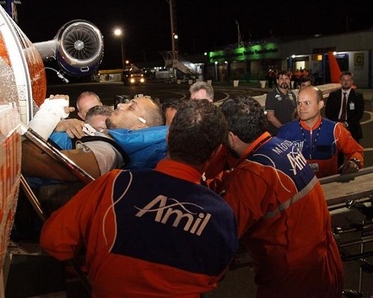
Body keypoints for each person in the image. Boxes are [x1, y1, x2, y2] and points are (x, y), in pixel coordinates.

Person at [40, 100, 239, 297]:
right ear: (214, 154)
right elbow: (214, 276)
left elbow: (54, 242)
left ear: (168, 138)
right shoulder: (222, 217)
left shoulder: (114, 185)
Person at [217, 96, 343, 298]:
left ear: (231, 137)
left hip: (292, 283)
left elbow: (220, 240)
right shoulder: (284, 146)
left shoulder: (251, 175)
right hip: (324, 267)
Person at [23, 95, 167, 181]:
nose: (121, 105)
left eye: (131, 107)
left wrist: (49, 114)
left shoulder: (106, 154)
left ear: (140, 127)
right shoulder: (101, 138)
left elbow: (24, 161)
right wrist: (58, 125)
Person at [278, 85, 364, 178]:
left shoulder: (335, 129)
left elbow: (356, 151)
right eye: (299, 103)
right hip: (298, 189)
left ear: (320, 104)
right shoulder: (285, 131)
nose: (301, 108)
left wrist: (354, 162)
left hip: (328, 187)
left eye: (307, 103)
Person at [325, 71, 365, 143]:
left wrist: (346, 123)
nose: (346, 82)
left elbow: (359, 114)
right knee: (337, 152)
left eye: (348, 80)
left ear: (352, 82)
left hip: (352, 128)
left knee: (352, 152)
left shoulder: (358, 96)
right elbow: (328, 112)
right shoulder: (333, 95)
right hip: (336, 126)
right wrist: (337, 123)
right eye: (344, 80)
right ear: (340, 81)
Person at [264, 70, 297, 136]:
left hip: (290, 131)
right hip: (276, 133)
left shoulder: (292, 95)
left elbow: (295, 112)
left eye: (286, 78)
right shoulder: (271, 95)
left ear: (289, 81)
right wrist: (284, 128)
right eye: (281, 79)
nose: (284, 81)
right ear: (277, 81)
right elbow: (270, 117)